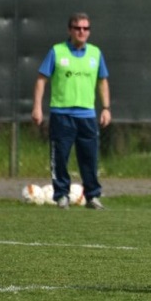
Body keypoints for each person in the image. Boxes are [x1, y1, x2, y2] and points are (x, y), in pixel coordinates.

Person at [31, 12, 111, 210]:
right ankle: (61, 196)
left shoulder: (95, 53)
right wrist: (37, 107)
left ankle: (92, 197)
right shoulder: (57, 52)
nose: (81, 32)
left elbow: (103, 81)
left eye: (85, 28)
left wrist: (106, 108)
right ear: (70, 30)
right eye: (77, 28)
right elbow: (41, 79)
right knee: (60, 158)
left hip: (87, 115)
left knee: (90, 159)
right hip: (61, 114)